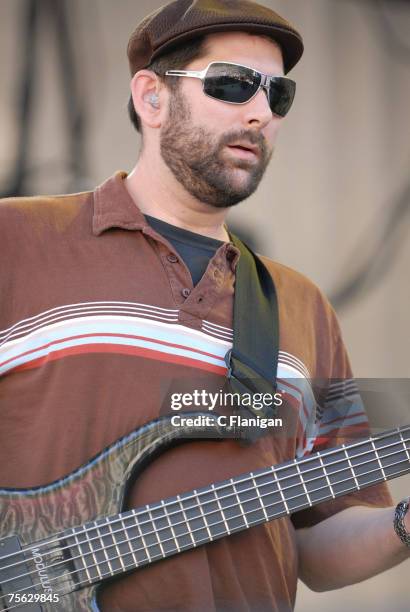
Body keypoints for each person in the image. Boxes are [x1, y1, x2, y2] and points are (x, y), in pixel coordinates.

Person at [0, 0, 408, 610]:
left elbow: (318, 546)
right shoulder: (18, 241)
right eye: (232, 84)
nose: (260, 113)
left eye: (279, 95)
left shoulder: (303, 306)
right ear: (152, 98)